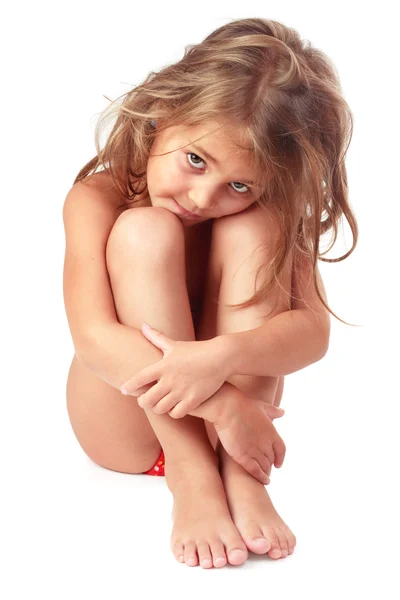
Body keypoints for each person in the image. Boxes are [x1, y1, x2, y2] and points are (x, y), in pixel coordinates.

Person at [63, 17, 358, 569]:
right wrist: (224, 405)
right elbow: (94, 338)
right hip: (127, 424)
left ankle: (241, 477)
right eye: (195, 160)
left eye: (240, 185)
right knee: (144, 230)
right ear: (162, 113)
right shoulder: (96, 198)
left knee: (257, 227)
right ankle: (192, 475)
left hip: (235, 437)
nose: (201, 197)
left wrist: (221, 356)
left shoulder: (267, 212)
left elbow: (312, 334)